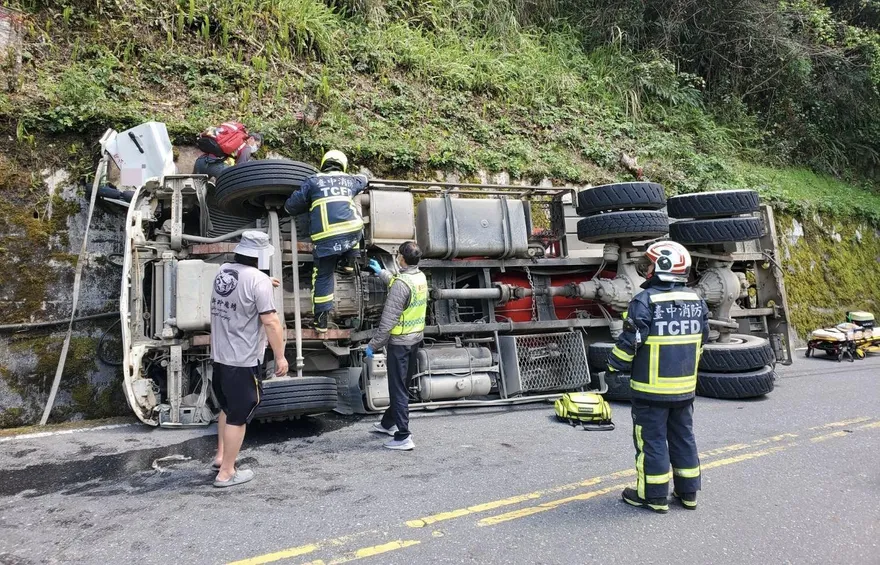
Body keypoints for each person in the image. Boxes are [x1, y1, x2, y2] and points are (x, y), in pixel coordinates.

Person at [607, 240, 709, 512]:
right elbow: (703, 340)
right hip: (685, 389)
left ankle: (652, 497)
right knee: (683, 437)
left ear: (661, 267)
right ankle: (688, 494)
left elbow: (631, 342)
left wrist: (614, 366)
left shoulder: (644, 301)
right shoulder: (696, 300)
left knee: (651, 441)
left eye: (651, 263)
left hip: (650, 390)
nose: (647, 268)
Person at [210, 230, 288, 487]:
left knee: (227, 408)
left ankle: (221, 457)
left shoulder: (224, 272)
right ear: (261, 256)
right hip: (242, 360)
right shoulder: (258, 281)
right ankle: (227, 473)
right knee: (239, 415)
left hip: (220, 357)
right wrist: (280, 356)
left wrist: (266, 282)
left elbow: (244, 288)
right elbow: (271, 321)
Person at [284, 150, 368, 333]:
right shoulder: (349, 180)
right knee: (356, 225)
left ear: (323, 163)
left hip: (326, 240)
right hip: (351, 232)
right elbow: (364, 179)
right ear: (343, 165)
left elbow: (291, 207)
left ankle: (321, 322)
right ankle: (349, 261)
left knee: (323, 276)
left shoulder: (313, 181)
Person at [365, 242, 428, 451]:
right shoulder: (419, 277)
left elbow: (388, 321)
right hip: (414, 340)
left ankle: (403, 436)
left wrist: (373, 345)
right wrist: (381, 272)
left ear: (401, 258)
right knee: (402, 385)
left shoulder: (402, 283)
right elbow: (397, 284)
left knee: (398, 389)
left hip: (399, 344)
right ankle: (387, 424)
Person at [193, 126, 262, 181]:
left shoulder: (233, 139)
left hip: (201, 161)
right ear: (251, 138)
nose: (256, 148)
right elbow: (240, 170)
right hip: (219, 167)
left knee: (193, 189)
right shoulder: (246, 148)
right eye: (257, 145)